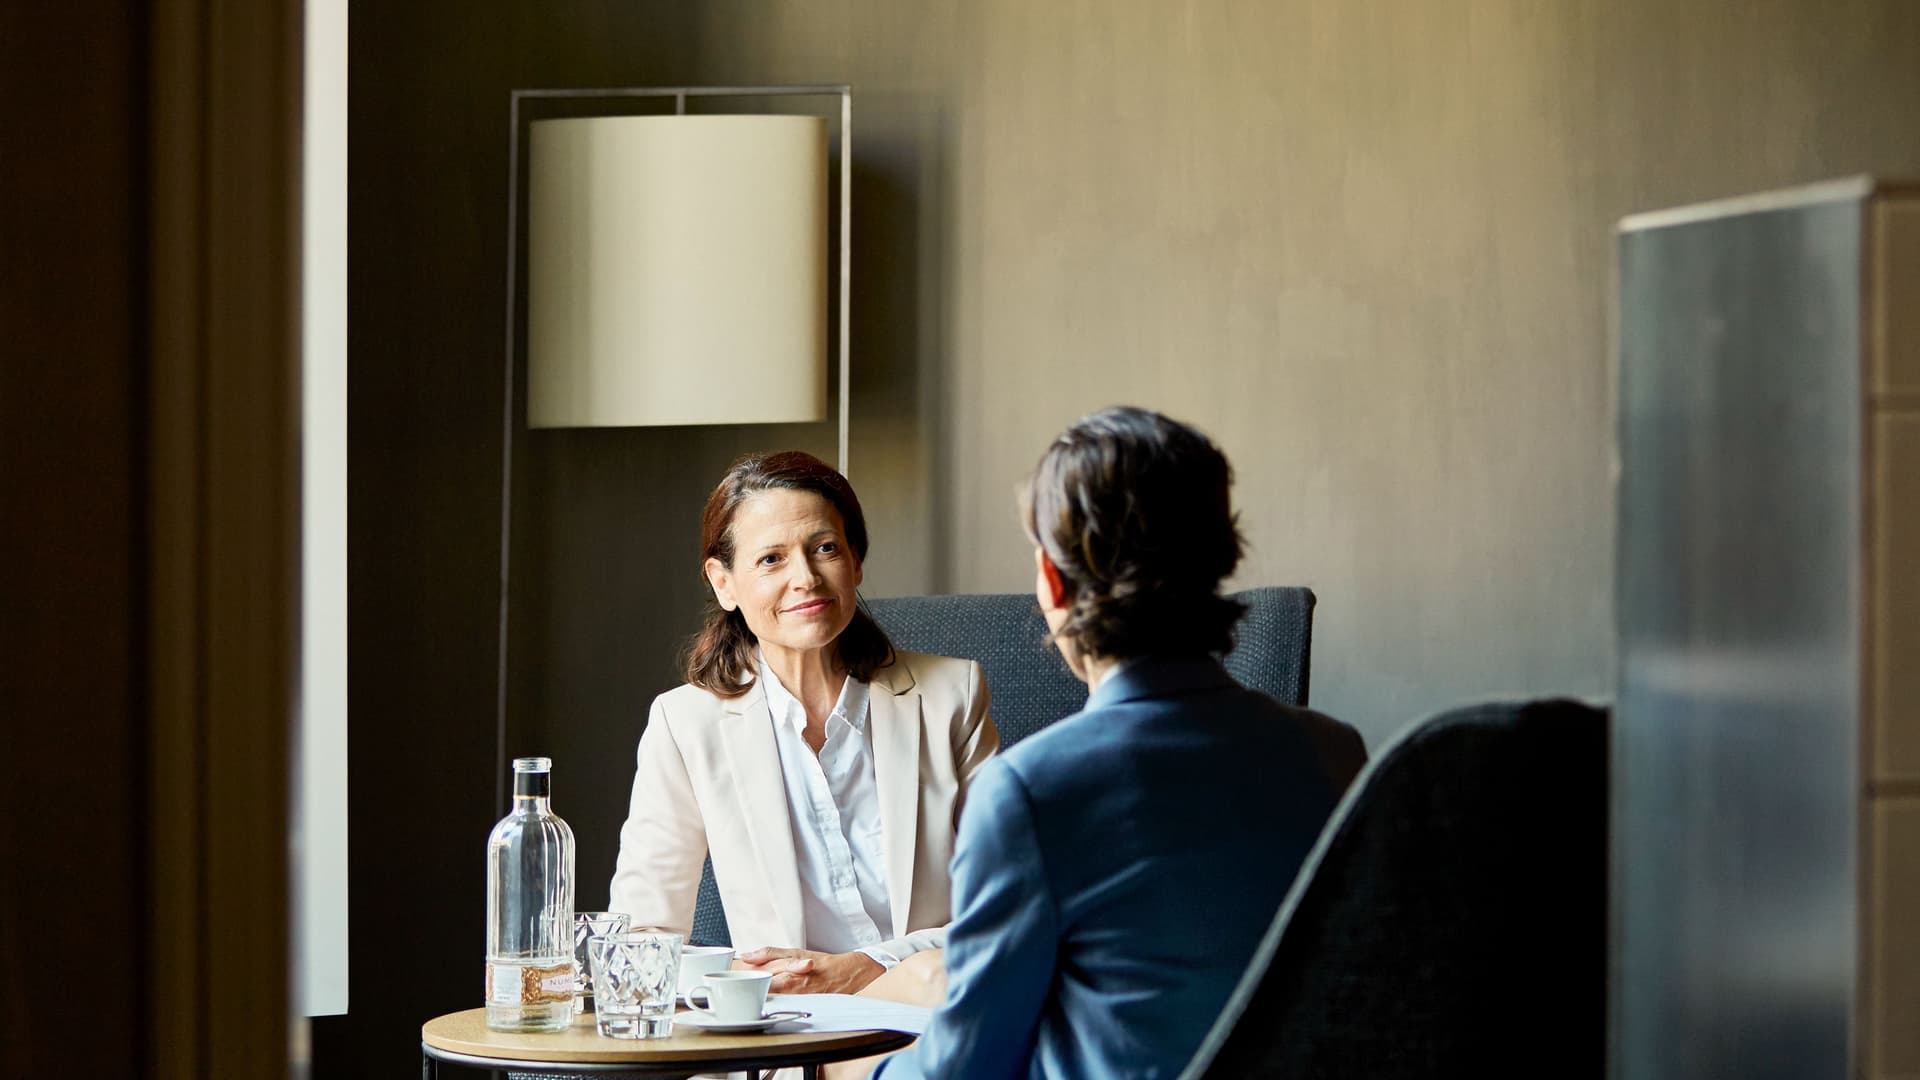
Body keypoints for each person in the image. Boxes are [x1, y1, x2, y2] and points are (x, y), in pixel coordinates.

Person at [864, 406, 1366, 1078]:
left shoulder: (1029, 792)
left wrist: (840, 1072)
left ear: (1051, 579)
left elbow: (966, 1067)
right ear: (1219, 557)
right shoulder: (1336, 753)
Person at [608, 450, 1000, 994]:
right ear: (724, 583)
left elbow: (1008, 903)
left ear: (856, 561)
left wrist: (870, 967)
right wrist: (738, 985)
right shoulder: (685, 724)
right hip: (787, 1032)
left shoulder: (949, 695)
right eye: (771, 559)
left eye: (824, 548)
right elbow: (641, 937)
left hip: (939, 1003)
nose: (805, 578)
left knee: (935, 984)